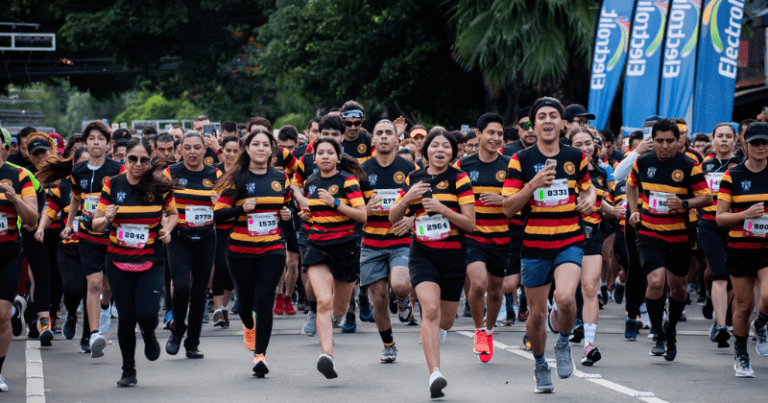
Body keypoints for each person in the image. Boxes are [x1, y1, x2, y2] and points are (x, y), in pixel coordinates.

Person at [502, 97, 596, 393]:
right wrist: (533, 184)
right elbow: (508, 207)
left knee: (566, 298)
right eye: (541, 116)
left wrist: (590, 198)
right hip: (534, 244)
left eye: (553, 115)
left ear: (562, 123)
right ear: (534, 124)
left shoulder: (575, 156)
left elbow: (587, 187)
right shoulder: (521, 160)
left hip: (569, 239)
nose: (547, 120)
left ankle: (564, 343)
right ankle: (540, 364)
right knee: (538, 315)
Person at [389, 129, 475, 399]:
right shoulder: (414, 178)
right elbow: (393, 217)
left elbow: (470, 224)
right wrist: (407, 198)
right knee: (430, 310)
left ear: (453, 152)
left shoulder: (460, 178)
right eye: (435, 145)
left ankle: (437, 332)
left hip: (454, 255)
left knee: (445, 321)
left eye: (446, 146)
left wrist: (443, 209)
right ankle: (435, 373)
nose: (440, 150)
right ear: (425, 151)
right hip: (422, 253)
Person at [92, 138, 178, 387]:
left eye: (143, 160)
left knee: (147, 315)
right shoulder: (112, 185)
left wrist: (167, 230)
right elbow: (96, 224)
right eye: (132, 159)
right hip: (118, 260)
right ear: (125, 158)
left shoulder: (160, 185)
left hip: (151, 258)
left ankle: (149, 333)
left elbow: (173, 214)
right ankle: (128, 370)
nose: (138, 164)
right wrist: (106, 218)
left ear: (150, 161)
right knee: (127, 318)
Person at [626, 118, 712, 361]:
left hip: (679, 236)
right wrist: (634, 211)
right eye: (659, 141)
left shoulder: (689, 165)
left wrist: (683, 203)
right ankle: (658, 334)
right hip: (649, 233)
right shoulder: (643, 161)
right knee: (655, 282)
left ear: (679, 141)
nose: (664, 146)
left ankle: (671, 329)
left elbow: (706, 198)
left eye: (670, 141)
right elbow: (631, 186)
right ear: (652, 141)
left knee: (678, 289)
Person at [213, 129, 292, 377]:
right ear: (247, 149)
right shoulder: (235, 177)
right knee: (246, 305)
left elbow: (286, 206)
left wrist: (288, 214)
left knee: (265, 299)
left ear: (272, 150)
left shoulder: (281, 176)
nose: (261, 148)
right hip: (240, 250)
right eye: (255, 144)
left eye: (265, 144)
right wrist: (241, 209)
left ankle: (260, 355)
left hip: (272, 247)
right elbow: (218, 215)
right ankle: (248, 324)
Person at [296, 138, 367, 379]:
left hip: (345, 247)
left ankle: (344, 308)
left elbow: (362, 215)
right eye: (320, 153)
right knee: (323, 302)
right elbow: (317, 214)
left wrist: (335, 203)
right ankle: (327, 356)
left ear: (338, 157)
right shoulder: (311, 181)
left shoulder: (348, 181)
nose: (325, 156)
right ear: (314, 158)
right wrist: (309, 218)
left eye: (330, 152)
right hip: (317, 246)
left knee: (339, 309)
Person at [60, 120, 124, 358]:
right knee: (94, 283)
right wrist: (69, 225)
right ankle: (93, 334)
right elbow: (76, 198)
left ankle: (106, 306)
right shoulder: (78, 171)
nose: (96, 143)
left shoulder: (118, 169)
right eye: (91, 139)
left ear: (108, 144)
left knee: (108, 285)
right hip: (88, 234)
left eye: (101, 139)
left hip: (113, 234)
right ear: (85, 143)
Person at [360, 120, 417, 364]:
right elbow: (351, 204)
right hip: (371, 242)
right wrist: (364, 209)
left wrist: (413, 219)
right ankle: (388, 344)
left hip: (400, 239)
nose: (384, 137)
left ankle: (403, 300)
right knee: (379, 298)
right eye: (379, 133)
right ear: (373, 140)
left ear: (397, 139)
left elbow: (425, 200)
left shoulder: (410, 168)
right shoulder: (362, 170)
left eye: (388, 133)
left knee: (401, 285)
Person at [455, 113, 510, 363]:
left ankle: (489, 330)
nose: (495, 138)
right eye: (490, 133)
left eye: (499, 134)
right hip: (472, 236)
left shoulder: (511, 165)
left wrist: (503, 201)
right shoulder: (462, 165)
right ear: (478, 135)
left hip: (501, 237)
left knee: (496, 291)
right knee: (478, 284)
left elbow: (522, 199)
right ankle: (479, 330)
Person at [716, 122, 768, 378]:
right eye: (755, 143)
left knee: (767, 296)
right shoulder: (732, 176)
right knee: (743, 306)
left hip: (766, 248)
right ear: (745, 145)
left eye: (764, 143)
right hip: (740, 248)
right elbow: (720, 217)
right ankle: (741, 352)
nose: (760, 147)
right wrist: (745, 214)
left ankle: (761, 323)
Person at [163, 132, 222, 359]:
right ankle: (177, 330)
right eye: (187, 147)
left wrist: (220, 202)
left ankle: (193, 343)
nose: (192, 152)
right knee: (181, 287)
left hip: (206, 237)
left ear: (204, 150)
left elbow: (228, 204)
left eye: (197, 147)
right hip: (179, 237)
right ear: (180, 150)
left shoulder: (215, 174)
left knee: (199, 292)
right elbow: (161, 203)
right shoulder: (171, 173)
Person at [36, 146, 93, 353]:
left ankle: (87, 336)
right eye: (82, 163)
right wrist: (41, 228)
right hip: (69, 248)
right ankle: (71, 313)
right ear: (74, 164)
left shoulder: (105, 184)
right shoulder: (64, 186)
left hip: (94, 246)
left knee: (91, 291)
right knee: (72, 290)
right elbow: (51, 210)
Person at [568, 128, 617, 366]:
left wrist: (612, 210)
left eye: (588, 143)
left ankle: (589, 344)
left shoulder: (600, 172)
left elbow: (599, 201)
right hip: (564, 234)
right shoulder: (560, 171)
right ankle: (556, 310)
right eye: (578, 144)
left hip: (591, 234)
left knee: (590, 287)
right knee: (565, 293)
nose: (584, 148)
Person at [0, 127, 38, 392]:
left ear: (5, 147)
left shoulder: (20, 175)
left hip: (8, 251)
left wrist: (15, 199)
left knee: (2, 315)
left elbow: (32, 218)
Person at [698, 123, 742, 348]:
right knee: (719, 273)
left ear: (736, 140)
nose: (724, 140)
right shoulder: (703, 166)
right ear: (712, 140)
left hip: (736, 225)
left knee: (733, 275)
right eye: (720, 136)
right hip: (709, 224)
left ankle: (720, 315)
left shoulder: (742, 165)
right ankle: (722, 326)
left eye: (728, 136)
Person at [210, 135, 240, 328]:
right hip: (217, 228)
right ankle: (217, 310)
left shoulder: (243, 173)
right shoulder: (214, 172)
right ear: (221, 150)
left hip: (238, 226)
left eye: (235, 151)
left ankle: (224, 307)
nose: (231, 154)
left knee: (231, 270)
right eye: (228, 150)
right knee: (220, 266)